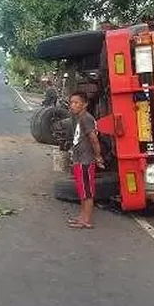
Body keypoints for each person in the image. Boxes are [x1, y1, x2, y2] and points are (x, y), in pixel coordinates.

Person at [67, 91, 104, 229]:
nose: (73, 105)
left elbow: (93, 139)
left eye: (76, 102)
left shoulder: (86, 118)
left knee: (87, 192)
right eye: (71, 102)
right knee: (82, 191)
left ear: (85, 104)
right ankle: (81, 217)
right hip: (79, 159)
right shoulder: (79, 117)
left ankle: (86, 220)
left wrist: (98, 156)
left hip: (86, 160)